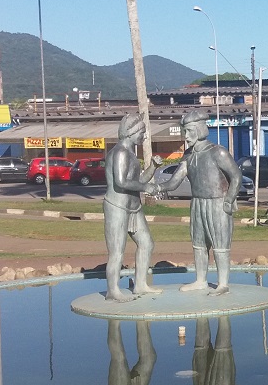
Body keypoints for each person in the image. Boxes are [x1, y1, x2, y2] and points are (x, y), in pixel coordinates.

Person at [160, 110, 243, 296]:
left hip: (218, 203)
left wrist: (229, 199)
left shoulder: (218, 152)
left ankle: (223, 284)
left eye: (189, 131)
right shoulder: (188, 155)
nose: (186, 136)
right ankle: (200, 280)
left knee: (220, 245)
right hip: (197, 203)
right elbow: (173, 182)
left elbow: (236, 176)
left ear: (199, 129)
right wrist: (154, 187)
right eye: (185, 131)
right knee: (199, 244)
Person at [103, 114, 162, 301]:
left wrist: (153, 167)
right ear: (131, 132)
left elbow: (138, 180)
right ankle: (113, 291)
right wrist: (146, 188)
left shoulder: (130, 154)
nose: (144, 136)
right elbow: (121, 182)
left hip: (133, 208)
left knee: (146, 243)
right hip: (117, 207)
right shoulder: (120, 153)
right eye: (142, 132)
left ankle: (140, 284)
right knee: (117, 252)